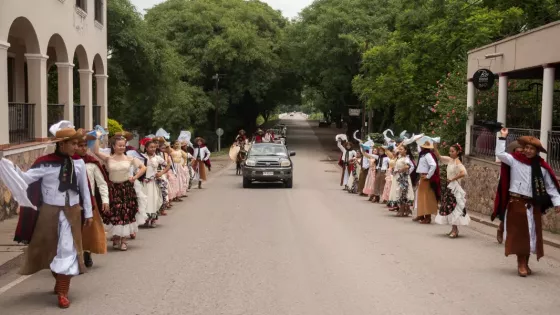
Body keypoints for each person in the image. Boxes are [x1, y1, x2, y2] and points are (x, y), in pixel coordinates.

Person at [2, 121, 93, 308]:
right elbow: (25, 179)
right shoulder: (46, 164)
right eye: (73, 144)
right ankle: (60, 281)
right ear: (62, 144)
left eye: (77, 143)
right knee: (51, 251)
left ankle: (62, 291)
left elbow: (85, 190)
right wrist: (7, 166)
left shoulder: (79, 164)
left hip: (73, 213)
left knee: (68, 250)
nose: (77, 147)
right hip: (49, 214)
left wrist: (89, 213)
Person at [495, 129, 560, 277]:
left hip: (533, 205)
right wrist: (502, 137)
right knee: (521, 235)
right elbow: (499, 155)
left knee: (532, 235)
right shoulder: (515, 160)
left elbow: (550, 187)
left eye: (532, 149)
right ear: (523, 148)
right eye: (527, 148)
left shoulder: (542, 167)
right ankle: (521, 263)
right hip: (516, 202)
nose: (529, 151)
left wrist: (558, 203)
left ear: (537, 151)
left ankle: (526, 262)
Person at [94, 134, 146, 251]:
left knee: (126, 213)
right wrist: (97, 137)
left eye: (123, 145)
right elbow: (96, 151)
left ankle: (124, 240)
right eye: (119, 145)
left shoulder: (130, 159)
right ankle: (116, 236)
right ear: (113, 146)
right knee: (114, 213)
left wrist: (135, 177)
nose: (122, 147)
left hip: (126, 189)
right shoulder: (109, 158)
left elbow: (143, 168)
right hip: (113, 189)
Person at [75, 129, 109, 268]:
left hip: (90, 200)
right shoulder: (69, 162)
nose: (83, 148)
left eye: (85, 145)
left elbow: (102, 183)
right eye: (80, 145)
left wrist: (105, 200)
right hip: (72, 201)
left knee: (89, 229)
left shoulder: (91, 163)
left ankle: (87, 252)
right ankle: (74, 255)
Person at [434, 143, 470, 237]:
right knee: (450, 206)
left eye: (452, 151)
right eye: (450, 151)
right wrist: (435, 147)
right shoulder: (450, 160)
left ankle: (455, 230)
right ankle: (454, 229)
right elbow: (439, 157)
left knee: (454, 207)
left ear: (458, 152)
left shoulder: (457, 162)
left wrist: (453, 178)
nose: (450, 153)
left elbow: (463, 172)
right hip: (449, 186)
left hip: (455, 187)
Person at [494, 141, 523, 244]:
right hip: (508, 188)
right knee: (507, 212)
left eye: (521, 151)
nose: (519, 153)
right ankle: (501, 229)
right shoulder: (510, 159)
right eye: (517, 151)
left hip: (521, 190)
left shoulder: (525, 161)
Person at [414, 138, 441, 224]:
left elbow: (433, 165)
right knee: (421, 197)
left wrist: (428, 176)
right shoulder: (423, 154)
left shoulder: (428, 155)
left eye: (422, 145)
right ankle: (421, 214)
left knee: (426, 197)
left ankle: (427, 217)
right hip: (422, 176)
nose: (420, 146)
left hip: (425, 177)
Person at [142, 140, 166, 228]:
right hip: (144, 182)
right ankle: (145, 219)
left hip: (153, 183)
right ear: (146, 148)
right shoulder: (142, 157)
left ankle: (153, 220)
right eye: (151, 147)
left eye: (154, 147)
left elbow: (168, 165)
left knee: (154, 200)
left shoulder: (158, 158)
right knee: (145, 201)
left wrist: (161, 173)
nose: (153, 149)